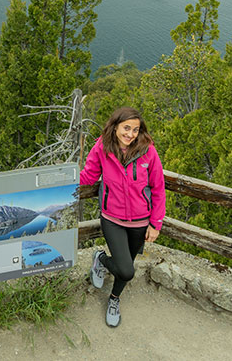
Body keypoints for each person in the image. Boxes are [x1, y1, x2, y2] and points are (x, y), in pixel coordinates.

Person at [79, 106, 165, 327]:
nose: (130, 134)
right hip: (112, 218)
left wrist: (155, 224)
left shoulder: (148, 151)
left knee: (126, 267)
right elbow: (89, 176)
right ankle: (101, 258)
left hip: (140, 221)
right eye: (126, 128)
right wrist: (60, 181)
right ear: (115, 126)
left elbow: (158, 188)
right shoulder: (102, 147)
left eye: (135, 130)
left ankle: (114, 299)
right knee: (127, 270)